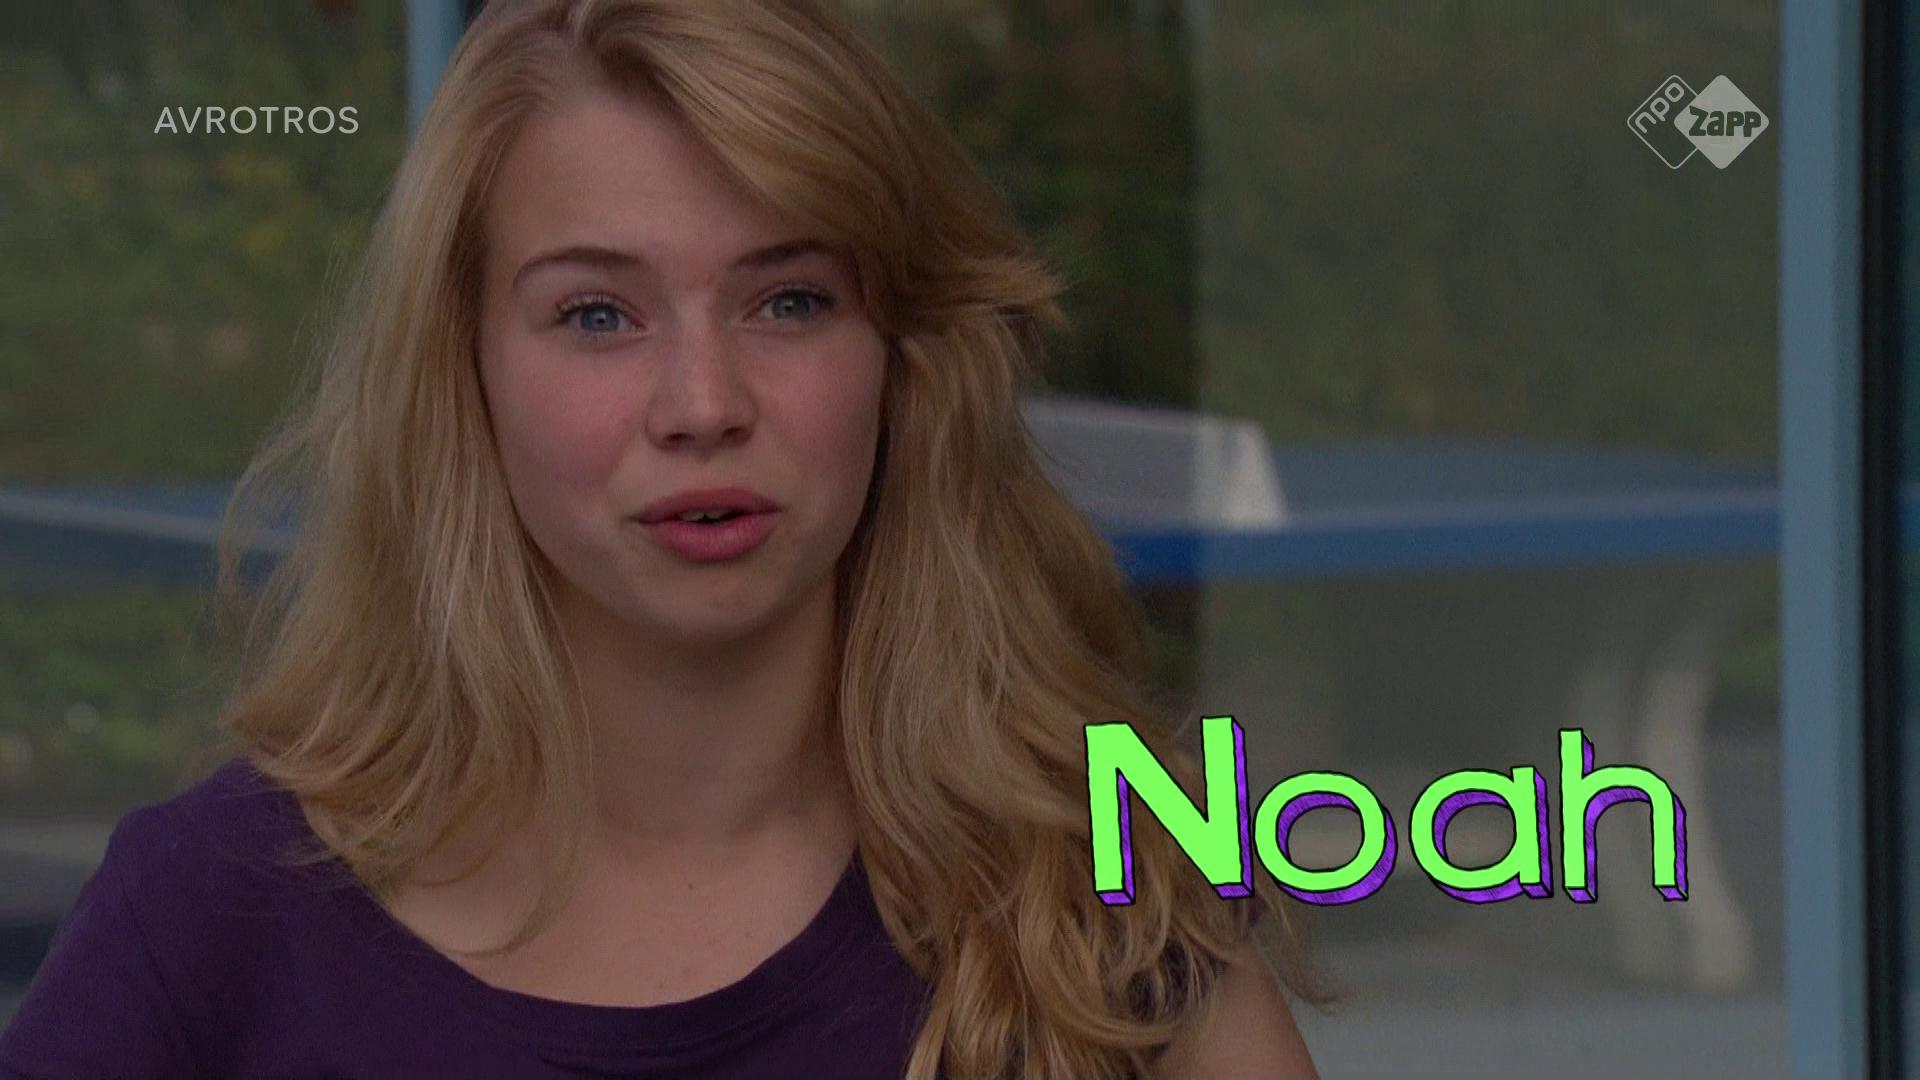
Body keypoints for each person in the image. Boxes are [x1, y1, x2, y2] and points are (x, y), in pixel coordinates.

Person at [0, 1, 1330, 1076]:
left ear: (903, 358)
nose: (703, 404)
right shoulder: (208, 919)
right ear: (464, 373)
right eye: (597, 315)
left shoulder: (1099, 892)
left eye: (789, 300)